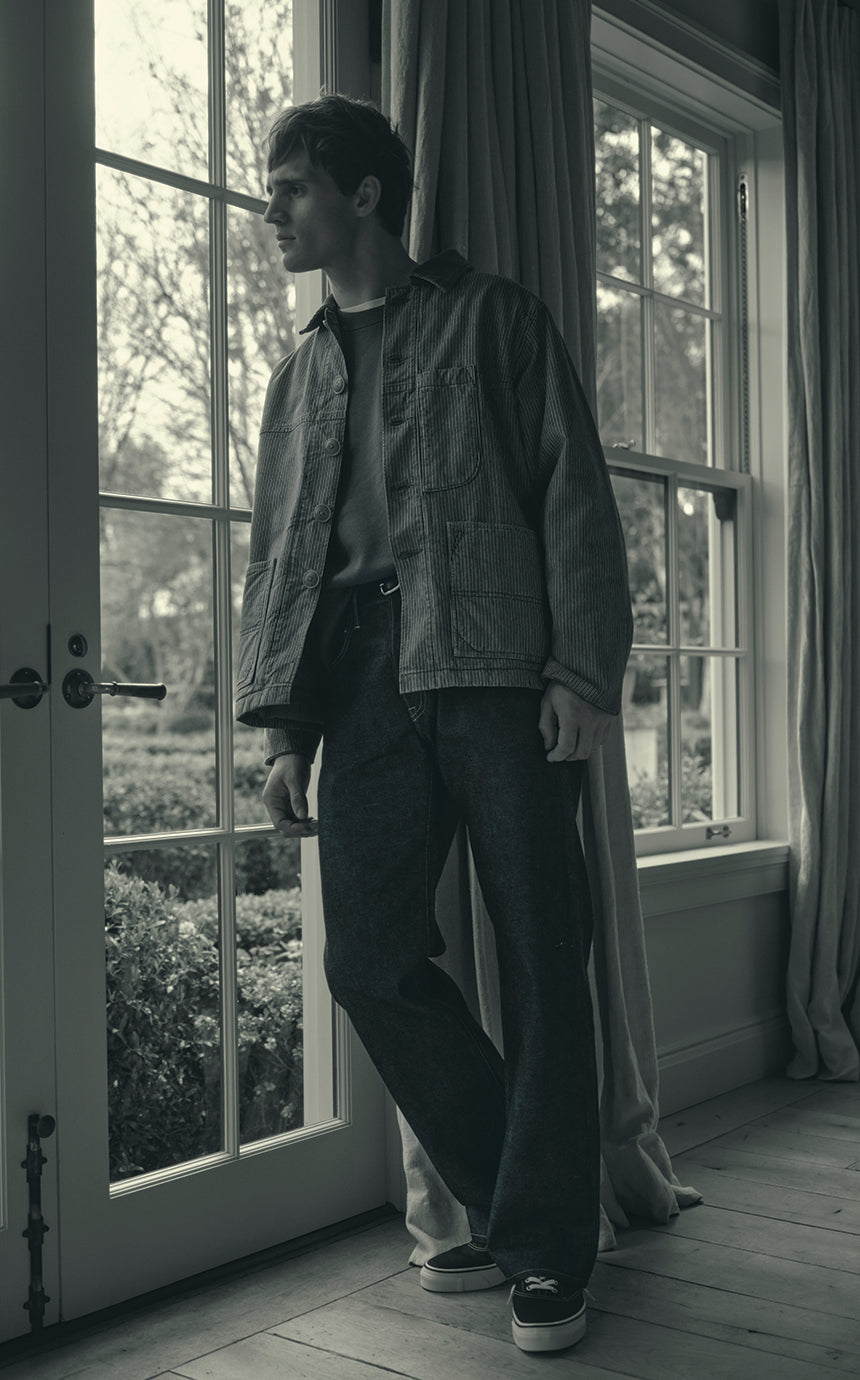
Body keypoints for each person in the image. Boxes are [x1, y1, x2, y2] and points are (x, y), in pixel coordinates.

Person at [235, 93, 632, 1355]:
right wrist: (282, 726)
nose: (271, 207)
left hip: (501, 673)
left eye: (290, 185)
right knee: (368, 962)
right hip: (355, 684)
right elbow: (279, 562)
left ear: (362, 192)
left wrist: (577, 673)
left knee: (539, 956)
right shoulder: (295, 374)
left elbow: (572, 496)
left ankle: (548, 1254)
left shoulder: (498, 321)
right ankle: (530, 1211)